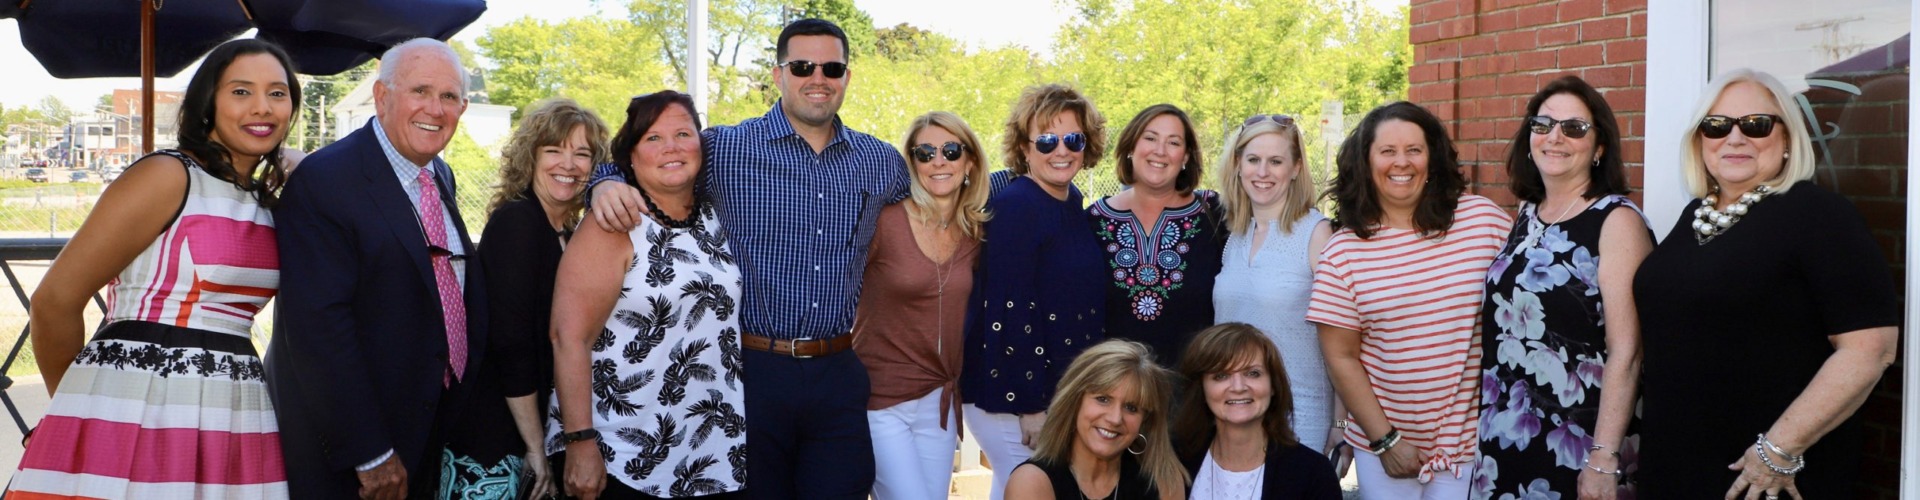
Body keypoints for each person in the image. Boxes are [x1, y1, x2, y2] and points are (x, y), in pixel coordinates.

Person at [587, 19, 910, 499]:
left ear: (846, 76)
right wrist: (604, 183)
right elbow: (649, 156)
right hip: (751, 374)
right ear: (778, 75)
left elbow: (942, 199)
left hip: (838, 372)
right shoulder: (726, 149)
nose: (817, 78)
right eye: (802, 67)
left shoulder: (879, 161)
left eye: (831, 68)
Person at [6, 38, 299, 499]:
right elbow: (54, 300)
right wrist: (78, 407)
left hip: (231, 409)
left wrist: (299, 165)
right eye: (241, 91)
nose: (262, 107)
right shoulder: (168, 175)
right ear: (208, 102)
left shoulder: (263, 199)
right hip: (135, 402)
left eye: (277, 93)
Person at [1633, 69, 1899, 500]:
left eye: (1756, 124)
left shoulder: (1819, 216)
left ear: (1787, 137)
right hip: (1675, 465)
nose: (1735, 138)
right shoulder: (1696, 217)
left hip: (1765, 478)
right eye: (1717, 126)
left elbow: (1870, 350)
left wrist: (1777, 451)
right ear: (1699, 140)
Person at [268, 38, 488, 499]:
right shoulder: (326, 180)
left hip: (421, 433)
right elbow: (318, 330)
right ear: (382, 96)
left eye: (449, 96)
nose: (435, 108)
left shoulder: (438, 174)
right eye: (420, 90)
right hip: (353, 457)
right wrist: (369, 453)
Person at [1307, 101, 1512, 499]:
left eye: (1414, 150)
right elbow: (1341, 357)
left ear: (1431, 159)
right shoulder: (1343, 252)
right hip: (1383, 447)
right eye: (1388, 151)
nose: (1401, 162)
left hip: (1468, 445)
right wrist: (1386, 441)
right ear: (1366, 163)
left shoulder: (1482, 221)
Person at [548, 90, 745, 500]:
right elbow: (569, 338)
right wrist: (580, 442)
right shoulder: (614, 222)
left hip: (706, 452)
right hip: (620, 454)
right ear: (632, 157)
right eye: (653, 138)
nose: (671, 147)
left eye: (683, 134)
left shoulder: (713, 217)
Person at [1470, 75, 1651, 500]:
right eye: (1543, 124)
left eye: (1574, 128)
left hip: (1581, 443)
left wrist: (1603, 459)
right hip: (1506, 435)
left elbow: (1628, 352)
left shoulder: (1617, 221)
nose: (1555, 137)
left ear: (1599, 147)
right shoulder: (1528, 213)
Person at [443, 98, 610, 499]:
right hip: (496, 437)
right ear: (530, 158)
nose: (568, 165)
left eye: (582, 154)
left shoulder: (568, 232)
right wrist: (535, 446)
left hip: (534, 424)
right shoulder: (518, 222)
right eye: (554, 150)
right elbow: (511, 344)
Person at [960, 83, 1110, 500]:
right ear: (1025, 148)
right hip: (1012, 392)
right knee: (1030, 486)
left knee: (1015, 487)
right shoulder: (1017, 206)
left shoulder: (1069, 200)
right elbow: (1009, 309)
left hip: (1053, 386)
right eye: (1046, 140)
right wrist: (1030, 405)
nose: (1061, 150)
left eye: (1073, 139)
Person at [853, 111, 991, 500]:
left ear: (970, 161)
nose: (938, 161)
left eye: (951, 150)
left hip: (940, 402)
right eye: (925, 153)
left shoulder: (975, 231)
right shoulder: (884, 221)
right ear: (912, 163)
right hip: (881, 401)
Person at [1209, 114, 1340, 456]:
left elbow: (1343, 339)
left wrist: (1341, 425)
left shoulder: (1317, 234)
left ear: (1296, 168)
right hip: (1235, 414)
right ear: (1238, 165)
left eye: (1276, 161)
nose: (1263, 172)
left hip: (1300, 415)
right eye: (1253, 159)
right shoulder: (1235, 237)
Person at [1088, 104, 1225, 367]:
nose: (1160, 151)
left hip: (1194, 385)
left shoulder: (1215, 215)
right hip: (1117, 386)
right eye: (1150, 138)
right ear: (1131, 147)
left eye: (1173, 142)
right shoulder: (1093, 221)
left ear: (1185, 157)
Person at [1172, 323, 1341, 500]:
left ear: (1273, 385)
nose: (1238, 387)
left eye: (1253, 373)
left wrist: (1340, 425)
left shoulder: (1313, 472)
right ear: (1201, 388)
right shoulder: (1173, 459)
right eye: (1221, 375)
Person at [1004, 340, 1186, 500]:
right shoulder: (1032, 482)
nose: (1115, 419)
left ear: (1144, 420)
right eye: (1103, 399)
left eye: (1131, 408)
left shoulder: (1164, 481)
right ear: (1074, 402)